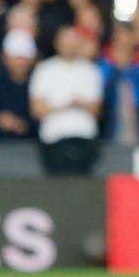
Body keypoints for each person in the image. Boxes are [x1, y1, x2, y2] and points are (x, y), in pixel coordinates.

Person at [29, 26, 104, 175]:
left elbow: (97, 109)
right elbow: (36, 109)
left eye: (72, 41)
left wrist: (78, 104)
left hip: (85, 138)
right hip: (53, 138)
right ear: (56, 43)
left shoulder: (91, 71)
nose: (69, 46)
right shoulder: (44, 69)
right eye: (65, 42)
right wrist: (66, 106)